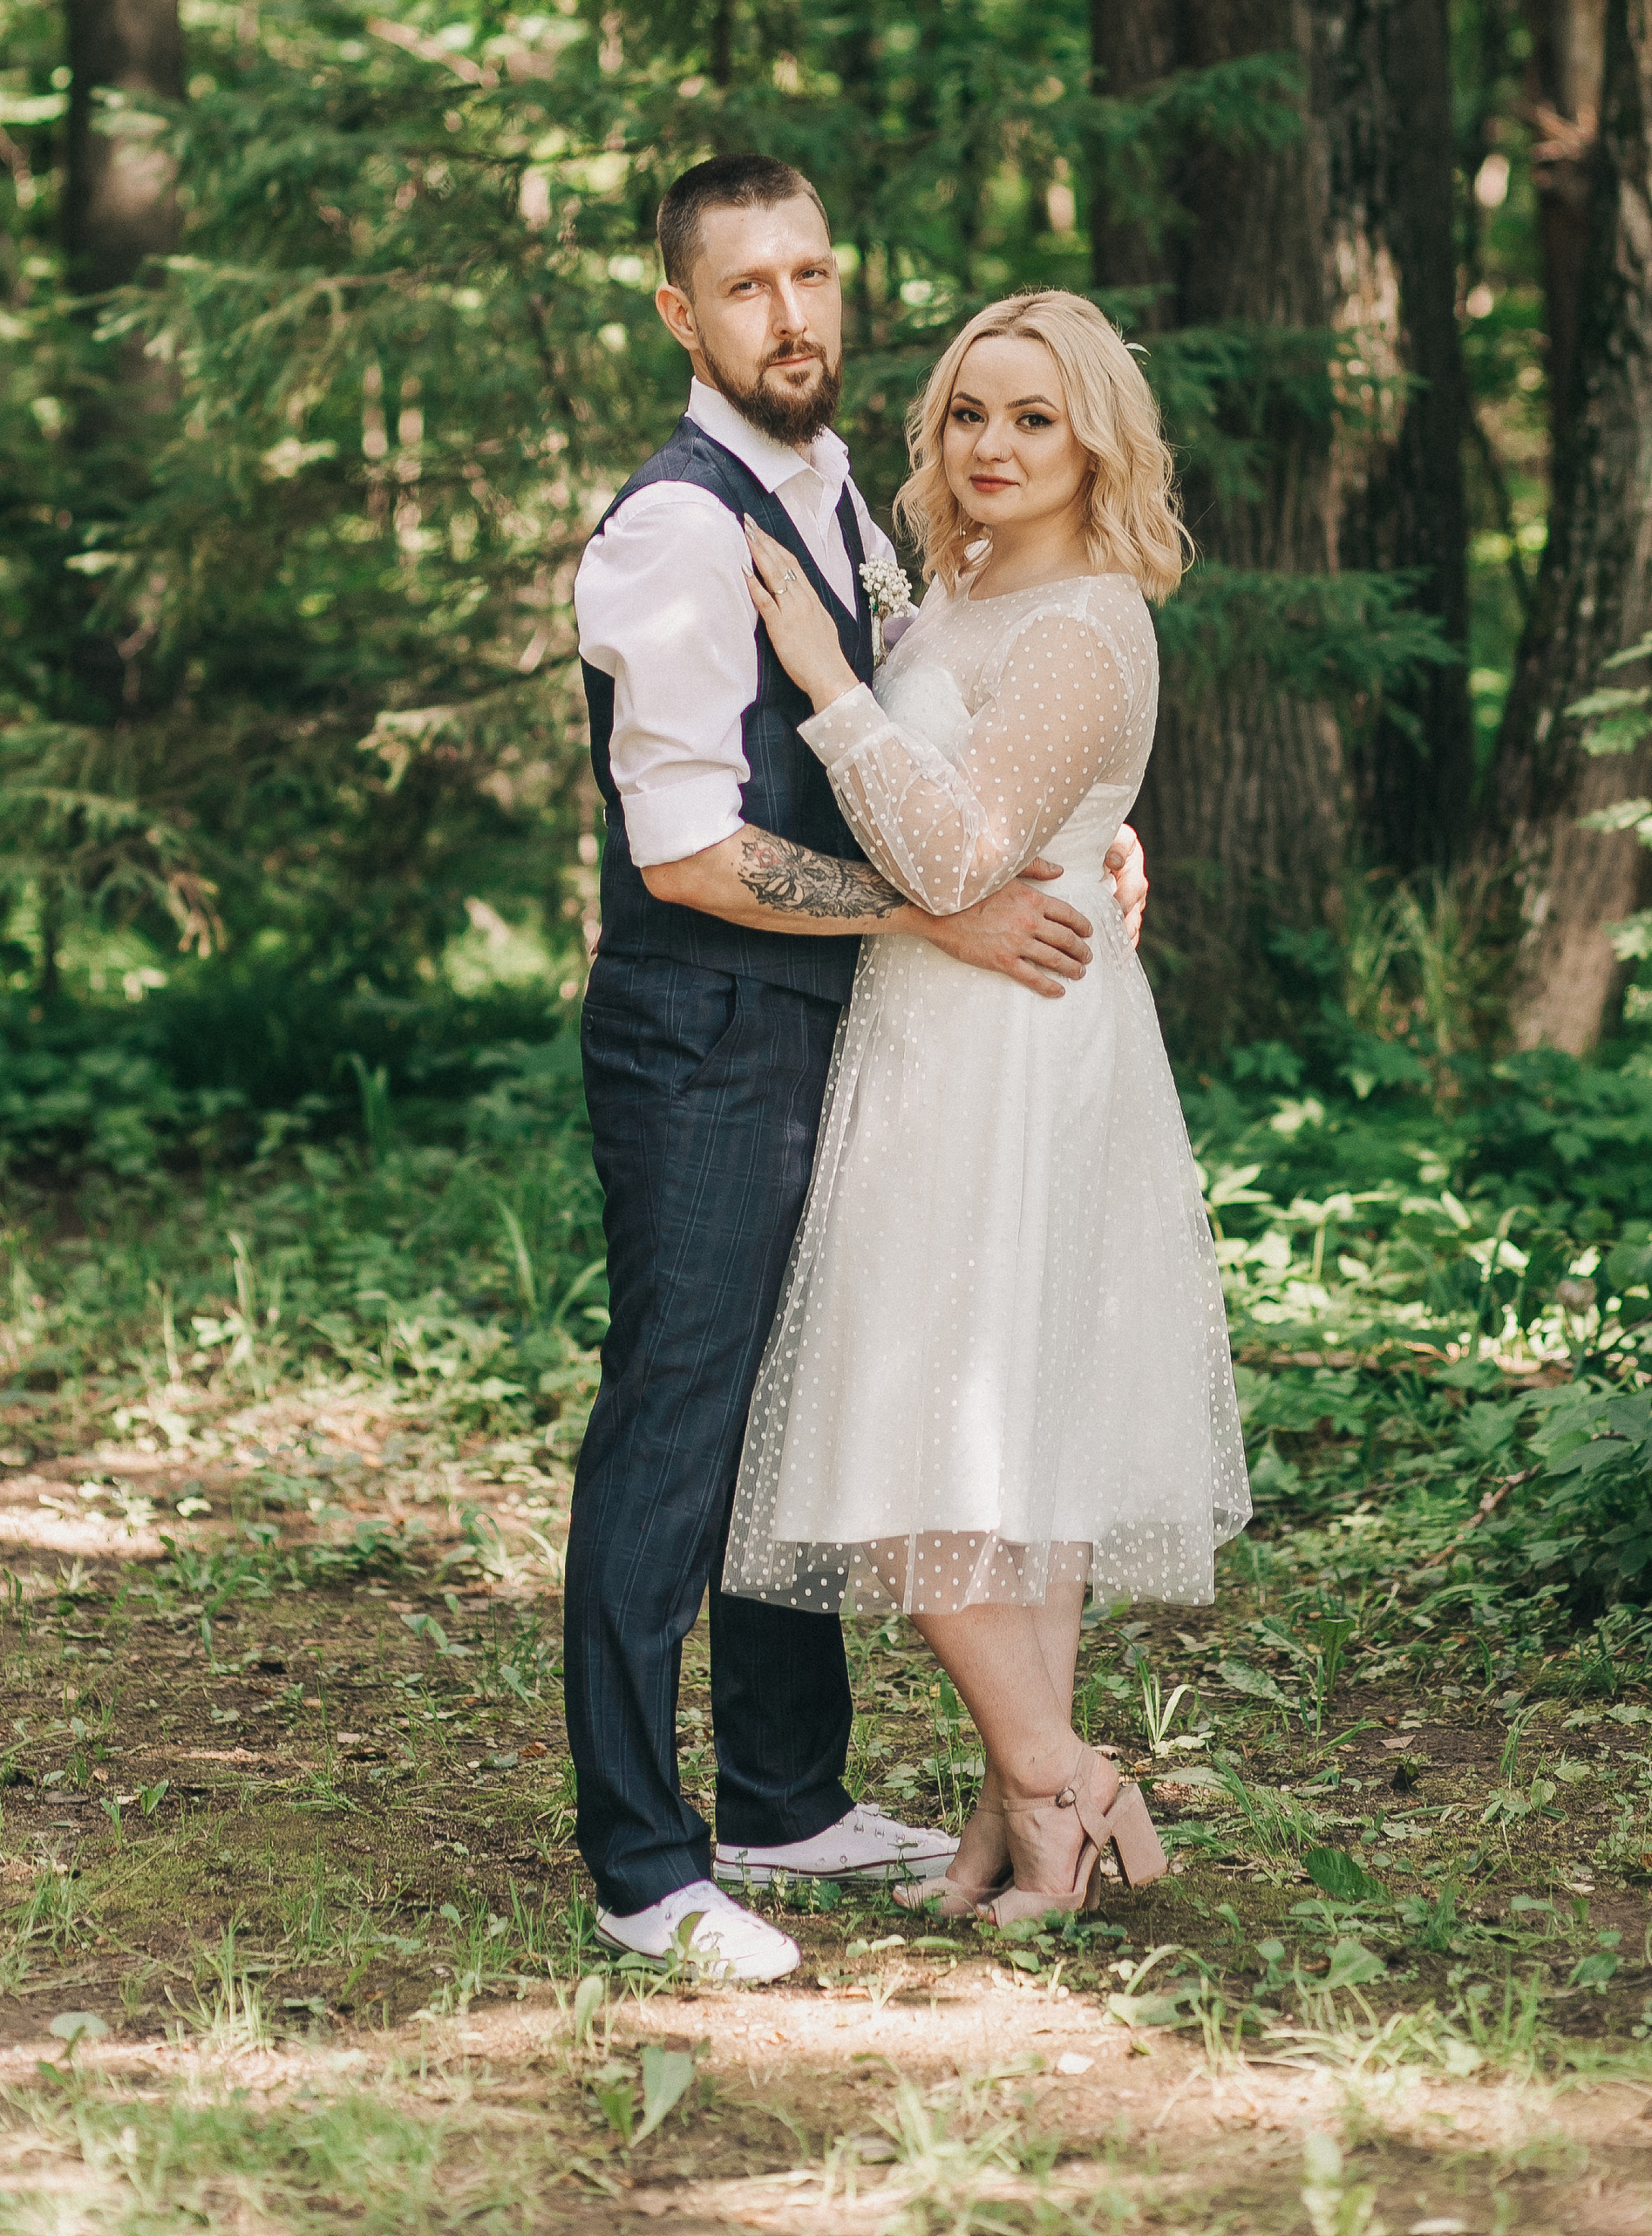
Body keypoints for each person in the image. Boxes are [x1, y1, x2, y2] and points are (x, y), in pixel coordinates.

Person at [568, 159, 1149, 1984]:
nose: (790, 314)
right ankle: (645, 1866)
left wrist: (1093, 843)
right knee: (677, 1429)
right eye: (744, 289)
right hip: (707, 1030)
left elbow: (973, 735)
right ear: (681, 316)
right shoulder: (677, 527)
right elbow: (687, 852)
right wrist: (930, 920)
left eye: (810, 273)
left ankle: (785, 1798)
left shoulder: (846, 505)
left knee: (780, 1410)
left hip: (845, 1032)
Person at [724, 289, 1252, 1926]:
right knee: (1000, 1438)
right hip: (940, 1024)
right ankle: (1021, 1817)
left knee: (943, 1432)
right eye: (970, 412)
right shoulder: (956, 581)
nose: (996, 444)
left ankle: (1062, 1778)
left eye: (1034, 417)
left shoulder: (1089, 622)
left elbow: (951, 856)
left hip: (1010, 1039)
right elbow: (978, 807)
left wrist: (823, 674)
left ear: (1095, 436)